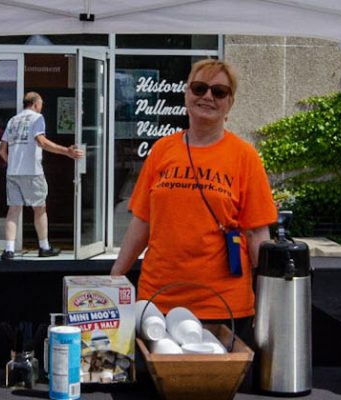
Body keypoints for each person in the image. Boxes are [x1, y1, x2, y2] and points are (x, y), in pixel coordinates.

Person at [109, 59, 277, 346]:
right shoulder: (162, 150)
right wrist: (115, 277)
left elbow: (257, 233)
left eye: (219, 92)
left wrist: (271, 297)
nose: (208, 96)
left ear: (230, 103)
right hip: (156, 305)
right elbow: (142, 222)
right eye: (199, 88)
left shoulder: (245, 156)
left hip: (221, 305)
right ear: (187, 95)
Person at [0, 92, 86, 261]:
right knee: (39, 209)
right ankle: (44, 246)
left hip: (13, 172)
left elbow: (1, 150)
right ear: (36, 104)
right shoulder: (37, 118)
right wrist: (67, 151)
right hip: (32, 171)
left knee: (14, 210)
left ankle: (8, 250)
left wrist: (13, 163)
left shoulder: (12, 120)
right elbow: (42, 142)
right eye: (41, 104)